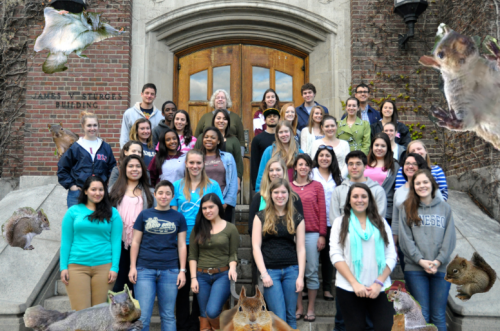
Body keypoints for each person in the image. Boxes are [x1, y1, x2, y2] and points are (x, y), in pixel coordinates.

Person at [330, 183, 397, 330]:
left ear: (369, 200)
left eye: (364, 196)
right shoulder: (339, 222)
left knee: (385, 328)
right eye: (355, 196)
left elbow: (391, 255)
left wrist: (378, 283)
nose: (359, 200)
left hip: (380, 287)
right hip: (349, 287)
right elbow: (336, 255)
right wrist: (354, 283)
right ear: (349, 200)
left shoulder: (381, 222)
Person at [171, 149, 225, 331]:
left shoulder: (213, 186)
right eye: (191, 162)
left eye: (198, 163)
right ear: (186, 164)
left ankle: (197, 323)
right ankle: (182, 325)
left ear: (203, 165)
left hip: (206, 242)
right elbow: (173, 215)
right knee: (183, 285)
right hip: (182, 242)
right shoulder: (177, 185)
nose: (195, 166)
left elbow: (219, 214)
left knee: (200, 287)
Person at [399, 169, 456, 331]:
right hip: (415, 268)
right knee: (421, 313)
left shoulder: (445, 208)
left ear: (432, 184)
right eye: (417, 183)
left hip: (441, 268)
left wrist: (438, 261)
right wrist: (421, 261)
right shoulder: (407, 208)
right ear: (413, 186)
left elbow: (449, 238)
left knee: (438, 314)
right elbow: (405, 240)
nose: (422, 186)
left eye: (425, 182)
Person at [129, 180, 187, 331]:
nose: (164, 196)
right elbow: (135, 242)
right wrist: (133, 267)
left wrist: (182, 270)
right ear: (154, 194)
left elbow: (181, 245)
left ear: (173, 196)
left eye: (168, 193)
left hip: (170, 270)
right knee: (143, 316)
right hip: (144, 270)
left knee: (168, 315)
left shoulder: (178, 217)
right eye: (160, 193)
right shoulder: (144, 215)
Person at [60, 176, 123, 310]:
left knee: (99, 315)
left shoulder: (113, 213)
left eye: (101, 190)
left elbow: (116, 242)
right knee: (80, 315)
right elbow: (66, 241)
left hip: (104, 267)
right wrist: (63, 267)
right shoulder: (73, 212)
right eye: (93, 189)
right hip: (76, 267)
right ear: (86, 191)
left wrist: (114, 268)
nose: (97, 193)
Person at [252, 178, 306, 329]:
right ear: (270, 194)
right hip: (270, 271)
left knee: (290, 316)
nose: (280, 195)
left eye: (283, 192)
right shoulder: (260, 216)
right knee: (278, 317)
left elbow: (301, 248)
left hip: (292, 270)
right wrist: (263, 274)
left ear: (289, 194)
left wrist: (301, 277)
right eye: (276, 192)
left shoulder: (297, 217)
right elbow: (256, 247)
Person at [189, 193, 239, 330]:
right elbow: (192, 256)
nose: (207, 211)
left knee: (211, 311)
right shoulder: (198, 228)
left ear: (218, 207)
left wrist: (233, 268)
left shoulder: (230, 228)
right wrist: (193, 278)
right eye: (204, 208)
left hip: (222, 275)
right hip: (201, 276)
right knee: (203, 315)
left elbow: (233, 253)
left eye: (211, 207)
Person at [109, 154, 155, 293]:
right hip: (118, 243)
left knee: (137, 285)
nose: (134, 169)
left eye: (138, 166)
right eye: (130, 166)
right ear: (124, 169)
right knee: (118, 285)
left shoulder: (150, 193)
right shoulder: (112, 190)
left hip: (142, 244)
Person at [291, 154, 327, 322]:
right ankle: (299, 307)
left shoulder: (317, 186)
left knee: (311, 271)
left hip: (312, 234)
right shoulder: (289, 187)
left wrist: (322, 235)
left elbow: (322, 211)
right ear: (295, 167)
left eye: (306, 164)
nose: (303, 167)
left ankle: (311, 308)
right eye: (300, 164)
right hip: (292, 235)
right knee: (296, 272)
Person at [58, 111, 116, 208]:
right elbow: (62, 168)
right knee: (78, 222)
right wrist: (72, 186)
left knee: (99, 221)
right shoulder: (76, 147)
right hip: (78, 194)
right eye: (89, 125)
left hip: (100, 194)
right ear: (83, 126)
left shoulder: (105, 147)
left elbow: (112, 169)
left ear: (98, 126)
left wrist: (107, 186)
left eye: (95, 125)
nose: (92, 128)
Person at [392, 153, 437, 272]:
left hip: (428, 243)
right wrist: (394, 245)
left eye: (414, 164)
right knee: (411, 281)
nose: (410, 166)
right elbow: (396, 222)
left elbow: (441, 213)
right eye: (407, 163)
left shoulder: (431, 189)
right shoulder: (399, 192)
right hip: (405, 244)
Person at [311, 145, 343, 302]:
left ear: (332, 159)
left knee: (328, 257)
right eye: (321, 155)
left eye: (327, 156)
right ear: (317, 157)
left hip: (332, 221)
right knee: (311, 256)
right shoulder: (311, 174)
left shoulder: (337, 176)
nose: (324, 158)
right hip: (313, 220)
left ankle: (327, 288)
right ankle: (307, 287)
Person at [248, 156, 304, 236]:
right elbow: (251, 228)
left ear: (284, 171)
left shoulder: (294, 198)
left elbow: (299, 225)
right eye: (271, 170)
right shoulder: (258, 198)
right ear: (267, 173)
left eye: (278, 170)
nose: (274, 173)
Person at [330, 151, 387, 220]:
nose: (354, 167)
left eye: (358, 164)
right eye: (351, 164)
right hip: (344, 230)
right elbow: (334, 219)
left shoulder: (377, 190)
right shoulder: (338, 191)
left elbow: (379, 218)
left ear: (365, 166)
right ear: (347, 167)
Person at [199, 127, 238, 223]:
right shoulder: (197, 157)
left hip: (223, 203)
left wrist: (226, 203)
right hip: (200, 203)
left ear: (219, 141)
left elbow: (233, 181)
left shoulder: (228, 157)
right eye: (206, 137)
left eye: (213, 137)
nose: (208, 139)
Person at [195, 109, 243, 182]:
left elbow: (238, 163)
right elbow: (195, 156)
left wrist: (238, 180)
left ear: (228, 122)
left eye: (225, 119)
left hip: (227, 179)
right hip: (204, 178)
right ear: (213, 120)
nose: (221, 121)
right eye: (218, 118)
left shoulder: (234, 140)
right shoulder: (202, 137)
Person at [255, 120, 304, 192]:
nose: (284, 135)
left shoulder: (299, 152)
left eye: (286, 131)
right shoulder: (269, 151)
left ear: (291, 132)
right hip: (273, 192)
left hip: (293, 192)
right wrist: (259, 192)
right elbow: (262, 174)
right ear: (277, 134)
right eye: (281, 132)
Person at [364, 132, 400, 226]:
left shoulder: (394, 166)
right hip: (363, 208)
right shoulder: (364, 163)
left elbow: (397, 189)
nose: (379, 148)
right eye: (376, 145)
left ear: (388, 148)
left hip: (385, 210)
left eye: (383, 146)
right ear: (372, 147)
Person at [194, 90, 245, 155]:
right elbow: (197, 137)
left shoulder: (235, 117)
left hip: (230, 153)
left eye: (223, 98)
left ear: (227, 101)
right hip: (207, 154)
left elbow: (241, 140)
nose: (220, 99)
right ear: (213, 101)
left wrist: (241, 156)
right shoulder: (205, 117)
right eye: (217, 98)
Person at [120, 83, 163, 148]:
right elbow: (124, 135)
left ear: (155, 97)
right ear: (141, 94)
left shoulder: (161, 115)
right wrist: (125, 151)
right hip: (134, 152)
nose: (149, 96)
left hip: (153, 153)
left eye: (152, 94)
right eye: (147, 93)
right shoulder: (129, 113)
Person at [250, 108, 279, 190]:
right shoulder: (257, 139)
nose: (272, 118)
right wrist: (255, 184)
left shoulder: (282, 137)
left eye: (274, 116)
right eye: (269, 116)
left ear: (279, 119)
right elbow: (254, 163)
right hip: (264, 178)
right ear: (265, 120)